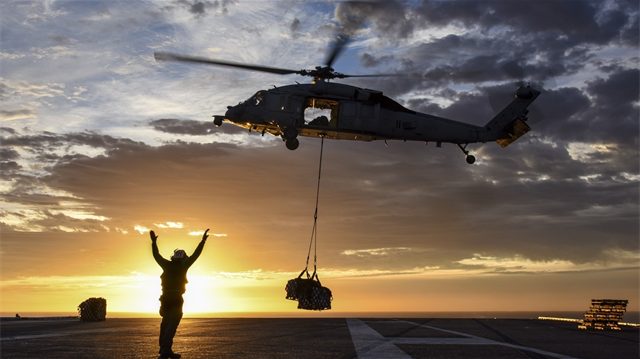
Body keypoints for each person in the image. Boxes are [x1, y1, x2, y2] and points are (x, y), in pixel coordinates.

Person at [151, 229, 209, 359]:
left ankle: (164, 349)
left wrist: (154, 243)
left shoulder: (166, 264)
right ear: (183, 258)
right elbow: (196, 254)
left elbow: (156, 255)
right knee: (172, 323)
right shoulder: (183, 265)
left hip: (165, 298)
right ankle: (166, 349)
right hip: (176, 298)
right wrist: (203, 241)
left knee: (165, 322)